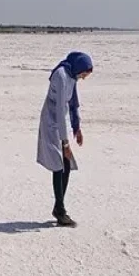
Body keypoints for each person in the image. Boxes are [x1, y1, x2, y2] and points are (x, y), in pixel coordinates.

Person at [36, 50, 94, 227]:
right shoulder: (61, 76)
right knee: (59, 165)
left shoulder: (72, 76)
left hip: (60, 123)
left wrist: (77, 128)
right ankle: (60, 212)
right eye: (84, 74)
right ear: (80, 68)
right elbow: (61, 110)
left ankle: (58, 208)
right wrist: (65, 142)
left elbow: (73, 103)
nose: (83, 78)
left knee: (65, 165)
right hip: (51, 121)